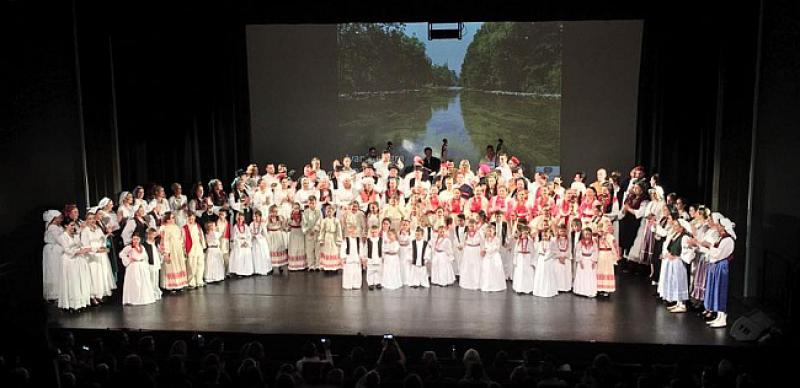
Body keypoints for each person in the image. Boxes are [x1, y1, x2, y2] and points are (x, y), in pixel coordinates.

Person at [696, 216, 735, 328]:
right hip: (716, 265)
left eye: (719, 226)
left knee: (720, 290)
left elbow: (719, 254)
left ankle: (722, 316)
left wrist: (709, 246)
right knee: (715, 290)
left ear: (724, 227)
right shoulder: (721, 238)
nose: (717, 227)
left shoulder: (728, 240)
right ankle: (718, 316)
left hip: (721, 266)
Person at [81, 211, 115, 305]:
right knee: (93, 275)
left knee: (100, 274)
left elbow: (102, 239)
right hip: (92, 255)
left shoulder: (98, 228)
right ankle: (92, 296)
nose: (92, 221)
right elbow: (85, 245)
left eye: (93, 218)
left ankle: (99, 294)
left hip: (100, 254)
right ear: (86, 220)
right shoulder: (85, 231)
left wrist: (104, 243)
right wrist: (96, 250)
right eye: (90, 219)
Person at [58, 218, 92, 311]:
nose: (73, 227)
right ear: (66, 226)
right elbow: (68, 251)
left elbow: (80, 244)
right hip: (68, 261)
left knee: (77, 281)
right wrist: (80, 251)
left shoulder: (75, 235)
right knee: (70, 281)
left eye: (74, 225)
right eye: (71, 225)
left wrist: (84, 249)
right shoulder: (62, 237)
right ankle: (69, 304)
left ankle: (78, 303)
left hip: (77, 260)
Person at [662, 219, 695, 313]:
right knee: (674, 281)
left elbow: (686, 251)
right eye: (674, 225)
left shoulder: (684, 237)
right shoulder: (675, 235)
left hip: (679, 263)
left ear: (682, 227)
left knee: (679, 281)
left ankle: (682, 304)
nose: (674, 227)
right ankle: (677, 302)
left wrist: (677, 255)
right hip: (673, 262)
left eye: (677, 226)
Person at [119, 235, 157, 306]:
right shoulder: (129, 247)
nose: (135, 241)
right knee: (135, 283)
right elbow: (121, 254)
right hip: (133, 267)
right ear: (132, 240)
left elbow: (145, 257)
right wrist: (128, 259)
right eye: (134, 239)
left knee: (143, 282)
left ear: (139, 240)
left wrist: (146, 265)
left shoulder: (142, 247)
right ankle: (134, 299)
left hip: (141, 266)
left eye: (137, 239)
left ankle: (144, 299)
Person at [160, 212, 188, 291]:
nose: (173, 219)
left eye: (173, 218)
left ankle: (179, 284)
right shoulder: (164, 228)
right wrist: (166, 253)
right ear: (167, 220)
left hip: (178, 249)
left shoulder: (176, 227)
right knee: (171, 266)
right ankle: (171, 286)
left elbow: (180, 239)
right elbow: (165, 241)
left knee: (178, 265)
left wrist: (183, 249)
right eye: (171, 218)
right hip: (171, 250)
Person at [43, 210, 64, 301]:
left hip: (57, 250)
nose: (61, 219)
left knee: (58, 270)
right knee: (54, 271)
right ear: (54, 218)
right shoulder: (52, 227)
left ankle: (60, 292)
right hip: (53, 251)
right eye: (59, 217)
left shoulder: (57, 226)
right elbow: (59, 239)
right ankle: (54, 294)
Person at [532, 228, 559, 297]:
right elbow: (536, 253)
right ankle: (540, 291)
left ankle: (548, 291)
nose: (545, 236)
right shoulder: (539, 243)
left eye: (546, 234)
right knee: (541, 274)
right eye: (543, 235)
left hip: (549, 261)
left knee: (548, 275)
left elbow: (555, 252)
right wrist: (534, 262)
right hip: (541, 260)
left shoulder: (552, 243)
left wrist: (548, 256)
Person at [596, 221, 620, 297]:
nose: (600, 232)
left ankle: (607, 289)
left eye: (602, 230)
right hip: (600, 255)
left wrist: (615, 257)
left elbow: (615, 248)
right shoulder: (598, 237)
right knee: (600, 270)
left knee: (607, 271)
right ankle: (600, 288)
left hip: (608, 255)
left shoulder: (611, 237)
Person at [183, 213, 206, 288]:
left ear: (195, 218)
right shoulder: (185, 228)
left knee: (200, 263)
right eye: (190, 219)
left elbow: (201, 236)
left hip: (198, 246)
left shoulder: (198, 226)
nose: (191, 220)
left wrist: (203, 246)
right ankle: (191, 281)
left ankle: (199, 280)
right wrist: (184, 250)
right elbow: (183, 239)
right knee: (191, 265)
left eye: (192, 219)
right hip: (190, 247)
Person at [480, 226, 506, 292]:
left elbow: (496, 248)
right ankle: (487, 285)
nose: (489, 232)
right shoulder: (485, 239)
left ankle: (496, 286)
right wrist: (483, 251)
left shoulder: (497, 239)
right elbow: (483, 247)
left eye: (490, 231)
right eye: (488, 231)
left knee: (495, 271)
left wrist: (487, 250)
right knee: (487, 271)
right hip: (487, 257)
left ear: (494, 231)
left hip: (494, 257)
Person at [573, 228, 598, 298]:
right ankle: (580, 290)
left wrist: (594, 261)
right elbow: (578, 252)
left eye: (589, 234)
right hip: (583, 260)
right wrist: (580, 261)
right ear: (583, 234)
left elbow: (595, 252)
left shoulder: (594, 243)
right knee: (582, 275)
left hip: (590, 260)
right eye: (586, 234)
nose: (587, 236)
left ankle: (589, 291)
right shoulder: (580, 243)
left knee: (590, 275)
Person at [318, 205, 343, 271]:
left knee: (334, 250)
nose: (329, 213)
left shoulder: (336, 220)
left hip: (334, 237)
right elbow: (322, 231)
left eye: (331, 211)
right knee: (327, 250)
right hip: (327, 237)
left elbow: (339, 231)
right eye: (328, 211)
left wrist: (339, 240)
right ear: (326, 212)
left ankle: (334, 266)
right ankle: (327, 266)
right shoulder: (324, 220)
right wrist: (321, 239)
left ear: (333, 212)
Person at [459, 221, 482, 290]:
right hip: (468, 250)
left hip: (476, 250)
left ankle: (476, 283)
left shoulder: (479, 233)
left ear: (476, 226)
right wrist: (461, 246)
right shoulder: (466, 233)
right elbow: (463, 242)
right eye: (470, 226)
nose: (471, 228)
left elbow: (482, 242)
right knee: (467, 266)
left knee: (476, 266)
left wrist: (483, 250)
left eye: (473, 226)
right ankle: (467, 282)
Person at [229, 212, 254, 277]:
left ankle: (247, 271)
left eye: (242, 218)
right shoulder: (235, 227)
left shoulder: (246, 226)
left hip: (245, 242)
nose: (240, 220)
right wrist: (240, 243)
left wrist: (246, 242)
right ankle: (239, 272)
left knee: (246, 253)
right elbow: (234, 237)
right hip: (239, 243)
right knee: (239, 252)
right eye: (239, 218)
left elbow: (249, 235)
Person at [512, 225, 535, 294]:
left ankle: (529, 289)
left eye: (526, 233)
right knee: (520, 272)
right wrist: (515, 260)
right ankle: (519, 288)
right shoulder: (518, 240)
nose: (525, 234)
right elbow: (515, 250)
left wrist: (532, 261)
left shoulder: (530, 240)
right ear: (521, 233)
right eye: (524, 233)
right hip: (520, 257)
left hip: (527, 257)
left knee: (528, 272)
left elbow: (533, 251)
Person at [141, 227, 163, 300]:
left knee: (156, 278)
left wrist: (161, 256)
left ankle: (156, 291)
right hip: (150, 264)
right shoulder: (145, 244)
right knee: (151, 279)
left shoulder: (156, 243)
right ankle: (151, 293)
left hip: (156, 262)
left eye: (154, 235)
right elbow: (145, 255)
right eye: (151, 235)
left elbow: (159, 252)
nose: (153, 236)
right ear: (148, 235)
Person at [266, 205, 288, 273]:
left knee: (279, 249)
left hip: (278, 235)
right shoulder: (268, 218)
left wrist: (284, 222)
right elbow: (266, 227)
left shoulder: (280, 217)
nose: (274, 213)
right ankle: (272, 266)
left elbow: (283, 226)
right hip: (272, 235)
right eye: (273, 211)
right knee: (272, 250)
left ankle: (280, 265)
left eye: (276, 211)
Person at [250, 210, 273, 275]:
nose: (256, 218)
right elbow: (250, 232)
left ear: (260, 217)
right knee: (255, 255)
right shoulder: (252, 224)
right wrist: (252, 236)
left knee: (262, 254)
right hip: (254, 241)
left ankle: (263, 269)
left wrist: (267, 241)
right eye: (255, 216)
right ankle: (256, 269)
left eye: (257, 216)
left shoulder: (262, 224)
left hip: (261, 241)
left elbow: (265, 234)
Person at [340, 225, 363, 290]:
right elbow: (343, 250)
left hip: (356, 260)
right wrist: (343, 258)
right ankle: (347, 285)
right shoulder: (346, 240)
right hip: (349, 260)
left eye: (355, 233)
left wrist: (361, 258)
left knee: (357, 273)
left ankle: (356, 284)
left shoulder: (358, 240)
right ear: (349, 232)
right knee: (348, 273)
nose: (354, 234)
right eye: (352, 232)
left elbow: (361, 250)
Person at [302, 196, 322, 270]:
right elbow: (304, 222)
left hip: (316, 233)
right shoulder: (305, 212)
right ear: (308, 203)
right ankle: (311, 265)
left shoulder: (318, 211)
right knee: (309, 250)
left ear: (315, 203)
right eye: (310, 203)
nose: (312, 205)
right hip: (308, 233)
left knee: (317, 249)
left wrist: (315, 229)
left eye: (313, 203)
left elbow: (319, 221)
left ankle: (317, 265)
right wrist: (308, 230)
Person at [287, 202, 307, 271]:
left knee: (300, 247)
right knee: (293, 248)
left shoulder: (302, 215)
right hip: (293, 233)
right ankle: (293, 265)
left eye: (297, 208)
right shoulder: (290, 215)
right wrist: (289, 222)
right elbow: (288, 225)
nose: (296, 210)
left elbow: (304, 224)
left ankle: (301, 265)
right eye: (295, 208)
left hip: (300, 232)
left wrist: (300, 223)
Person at [363, 226, 384, 290]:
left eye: (375, 232)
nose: (374, 233)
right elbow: (365, 250)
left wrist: (383, 257)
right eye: (372, 232)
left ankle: (378, 282)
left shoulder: (381, 239)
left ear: (378, 232)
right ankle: (370, 284)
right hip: (370, 259)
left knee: (379, 271)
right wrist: (365, 259)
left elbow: (383, 249)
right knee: (370, 271)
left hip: (378, 258)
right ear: (370, 232)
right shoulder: (368, 240)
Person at [553, 224, 572, 292]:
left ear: (566, 231)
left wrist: (564, 257)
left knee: (566, 272)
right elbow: (554, 249)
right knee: (558, 272)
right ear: (558, 231)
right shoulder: (555, 239)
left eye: (564, 231)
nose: (562, 233)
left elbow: (569, 249)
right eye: (561, 231)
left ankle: (565, 287)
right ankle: (558, 287)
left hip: (566, 257)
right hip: (558, 257)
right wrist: (559, 257)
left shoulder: (568, 239)